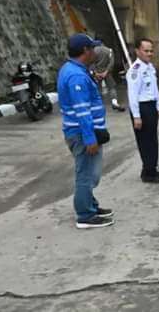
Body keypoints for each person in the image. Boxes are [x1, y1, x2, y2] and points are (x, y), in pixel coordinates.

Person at [57, 34, 114, 229]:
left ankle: (90, 205)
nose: (95, 52)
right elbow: (82, 110)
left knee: (91, 173)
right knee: (87, 175)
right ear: (85, 51)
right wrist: (90, 139)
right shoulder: (76, 76)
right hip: (82, 134)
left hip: (84, 132)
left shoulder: (76, 70)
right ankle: (85, 215)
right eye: (92, 49)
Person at [127, 38, 159, 184]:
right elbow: (132, 95)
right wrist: (136, 116)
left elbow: (154, 90)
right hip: (141, 108)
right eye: (146, 50)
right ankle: (148, 173)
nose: (149, 53)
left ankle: (151, 168)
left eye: (151, 50)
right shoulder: (135, 70)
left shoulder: (150, 67)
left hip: (151, 106)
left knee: (153, 139)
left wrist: (158, 107)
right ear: (137, 51)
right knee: (145, 141)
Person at [90, 37, 126, 112]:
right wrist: (106, 71)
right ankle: (114, 102)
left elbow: (91, 62)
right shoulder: (109, 50)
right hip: (107, 73)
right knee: (112, 88)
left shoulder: (93, 51)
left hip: (97, 73)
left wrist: (95, 72)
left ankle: (97, 104)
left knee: (97, 89)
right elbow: (111, 63)